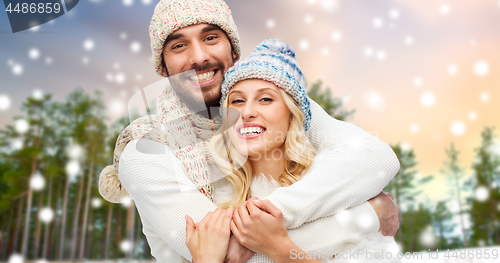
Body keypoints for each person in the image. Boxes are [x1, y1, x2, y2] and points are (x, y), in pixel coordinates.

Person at [98, 0, 401, 262]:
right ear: (162, 66)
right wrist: (370, 215)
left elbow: (376, 158)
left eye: (211, 37)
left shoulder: (278, 101)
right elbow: (229, 254)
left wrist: (269, 219)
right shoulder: (143, 149)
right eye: (179, 45)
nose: (199, 57)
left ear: (233, 50)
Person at [185, 39, 400, 263]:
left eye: (265, 99)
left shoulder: (335, 189)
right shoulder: (213, 202)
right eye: (237, 101)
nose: (247, 111)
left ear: (292, 115)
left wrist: (278, 248)